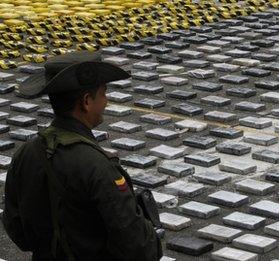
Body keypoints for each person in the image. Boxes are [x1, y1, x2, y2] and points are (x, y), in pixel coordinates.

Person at [2, 51, 163, 261]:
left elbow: (17, 231)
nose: (106, 101)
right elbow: (141, 248)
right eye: (103, 93)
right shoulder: (99, 166)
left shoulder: (26, 153)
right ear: (86, 101)